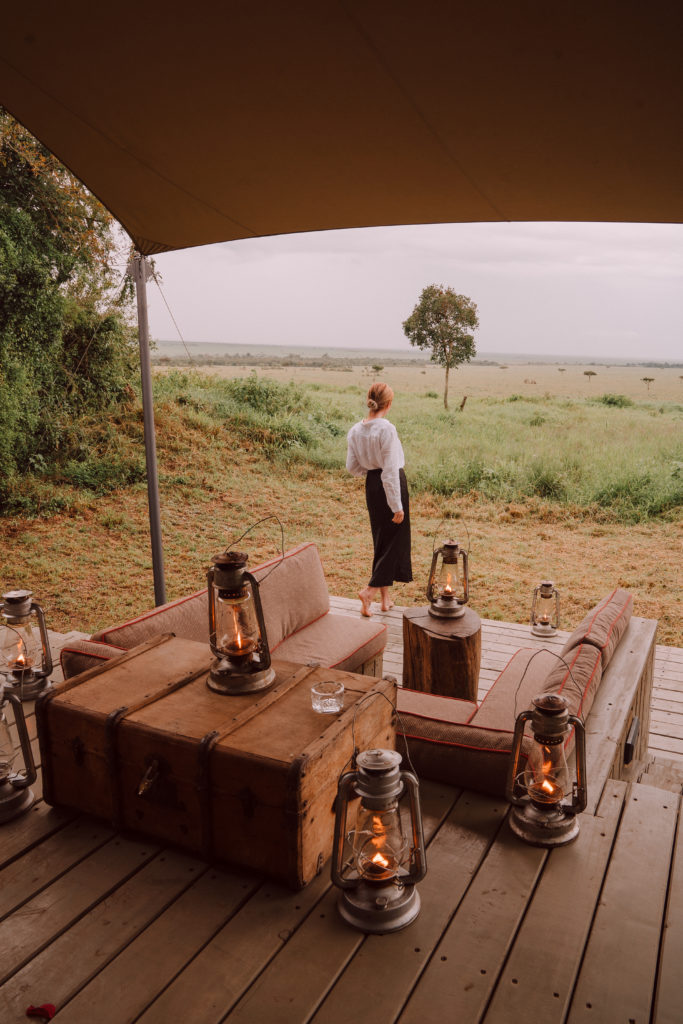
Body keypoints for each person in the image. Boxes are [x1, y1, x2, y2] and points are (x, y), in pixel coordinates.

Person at [346, 382, 412, 616]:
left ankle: (385, 599)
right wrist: (397, 505)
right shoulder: (386, 429)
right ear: (389, 403)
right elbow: (391, 471)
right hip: (390, 486)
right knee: (395, 541)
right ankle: (369, 592)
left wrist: (371, 473)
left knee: (382, 540)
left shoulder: (355, 429)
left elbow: (352, 467)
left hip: (372, 486)